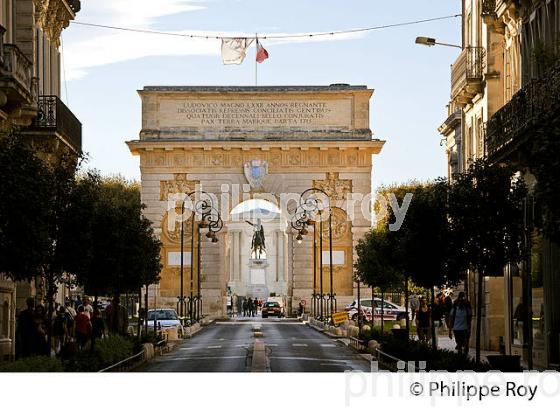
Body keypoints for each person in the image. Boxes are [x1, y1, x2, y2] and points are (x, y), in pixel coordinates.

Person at [449, 292, 472, 357]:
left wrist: (469, 328)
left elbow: (470, 319)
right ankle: (461, 358)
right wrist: (450, 331)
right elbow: (451, 319)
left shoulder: (467, 309)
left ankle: (465, 356)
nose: (461, 301)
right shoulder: (455, 309)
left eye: (463, 299)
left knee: (465, 344)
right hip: (457, 329)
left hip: (465, 329)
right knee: (459, 344)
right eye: (460, 300)